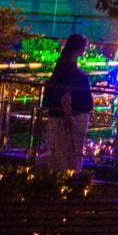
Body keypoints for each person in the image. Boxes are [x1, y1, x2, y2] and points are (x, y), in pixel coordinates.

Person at [42, 33, 94, 173]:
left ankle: (62, 177)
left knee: (62, 151)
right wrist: (68, 115)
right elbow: (66, 94)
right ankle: (70, 178)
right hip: (73, 114)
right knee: (71, 151)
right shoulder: (69, 69)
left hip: (69, 113)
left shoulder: (63, 65)